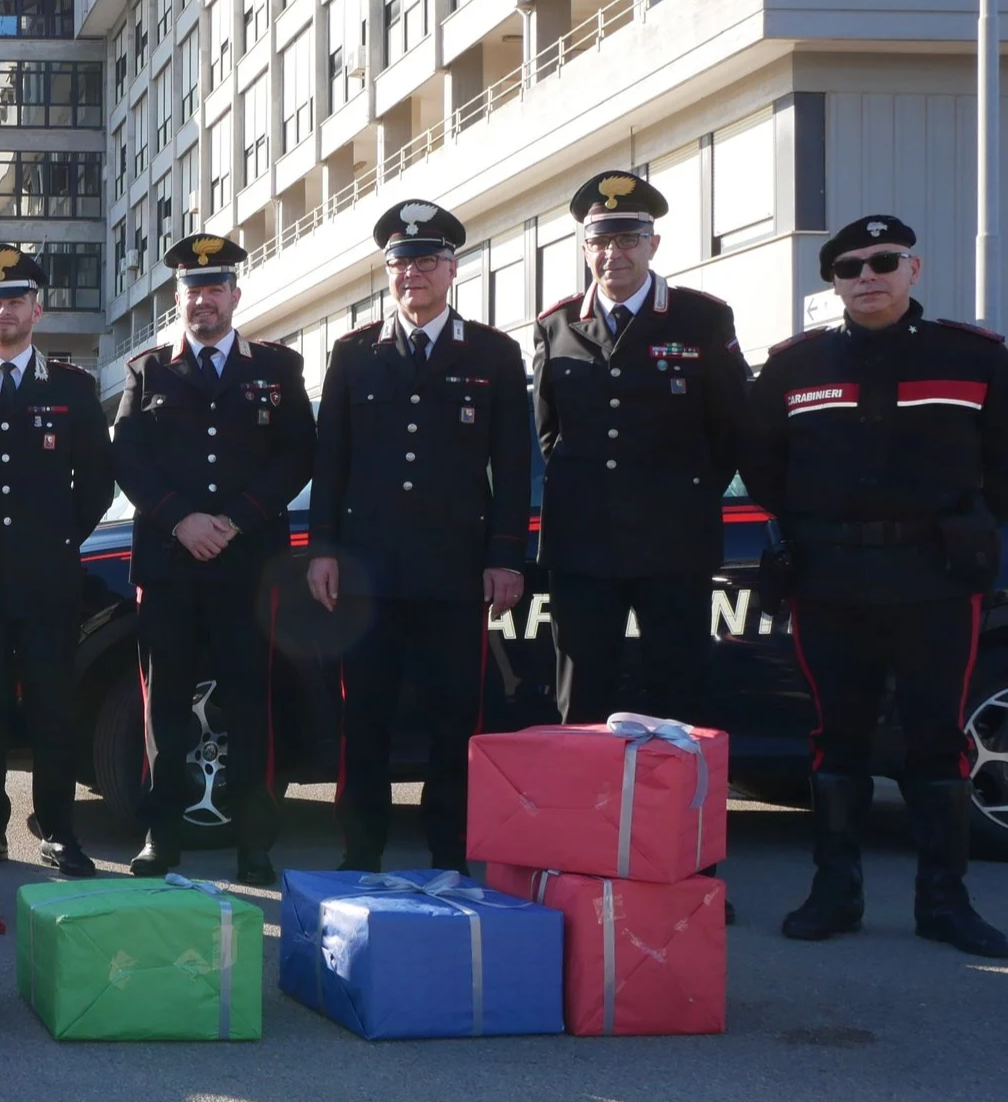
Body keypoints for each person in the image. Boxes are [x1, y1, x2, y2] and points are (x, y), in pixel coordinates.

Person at [743, 215, 1008, 958]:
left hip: (936, 581)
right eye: (849, 267)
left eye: (883, 261)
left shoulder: (976, 358)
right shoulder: (796, 365)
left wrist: (974, 527)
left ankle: (945, 904)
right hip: (831, 580)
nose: (867, 276)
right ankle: (835, 894)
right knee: (838, 738)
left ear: (913, 271)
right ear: (832, 282)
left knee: (936, 740)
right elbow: (761, 458)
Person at [307, 201, 532, 873]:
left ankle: (451, 852)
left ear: (452, 269)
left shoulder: (494, 353)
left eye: (426, 260)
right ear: (388, 273)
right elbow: (331, 462)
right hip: (368, 574)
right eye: (401, 262)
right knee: (365, 722)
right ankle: (360, 849)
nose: (413, 273)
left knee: (454, 723)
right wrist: (323, 549)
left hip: (453, 574)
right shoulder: (353, 354)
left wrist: (506, 559)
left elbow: (514, 466)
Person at [111, 234, 315, 884]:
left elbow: (297, 456)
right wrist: (182, 520)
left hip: (247, 569)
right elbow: (128, 460)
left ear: (235, 293)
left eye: (216, 287)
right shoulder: (147, 372)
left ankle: (254, 847)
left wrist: (233, 520)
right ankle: (160, 837)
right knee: (163, 712)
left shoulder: (277, 369)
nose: (204, 299)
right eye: (193, 289)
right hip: (170, 569)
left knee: (251, 707)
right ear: (180, 297)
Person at [532, 174, 749, 727]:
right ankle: (586, 814)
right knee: (581, 701)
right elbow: (551, 436)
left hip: (673, 543)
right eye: (600, 242)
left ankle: (677, 816)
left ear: (654, 244)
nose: (613, 254)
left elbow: (731, 426)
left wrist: (683, 493)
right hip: (582, 548)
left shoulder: (701, 318)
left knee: (679, 694)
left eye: (628, 239)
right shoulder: (555, 325)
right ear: (585, 249)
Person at [0, 245, 115, 874]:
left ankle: (58, 827)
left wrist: (58, 539)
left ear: (37, 309)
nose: (3, 310)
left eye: (15, 300)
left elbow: (97, 481)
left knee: (52, 705)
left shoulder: (72, 386)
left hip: (49, 577)